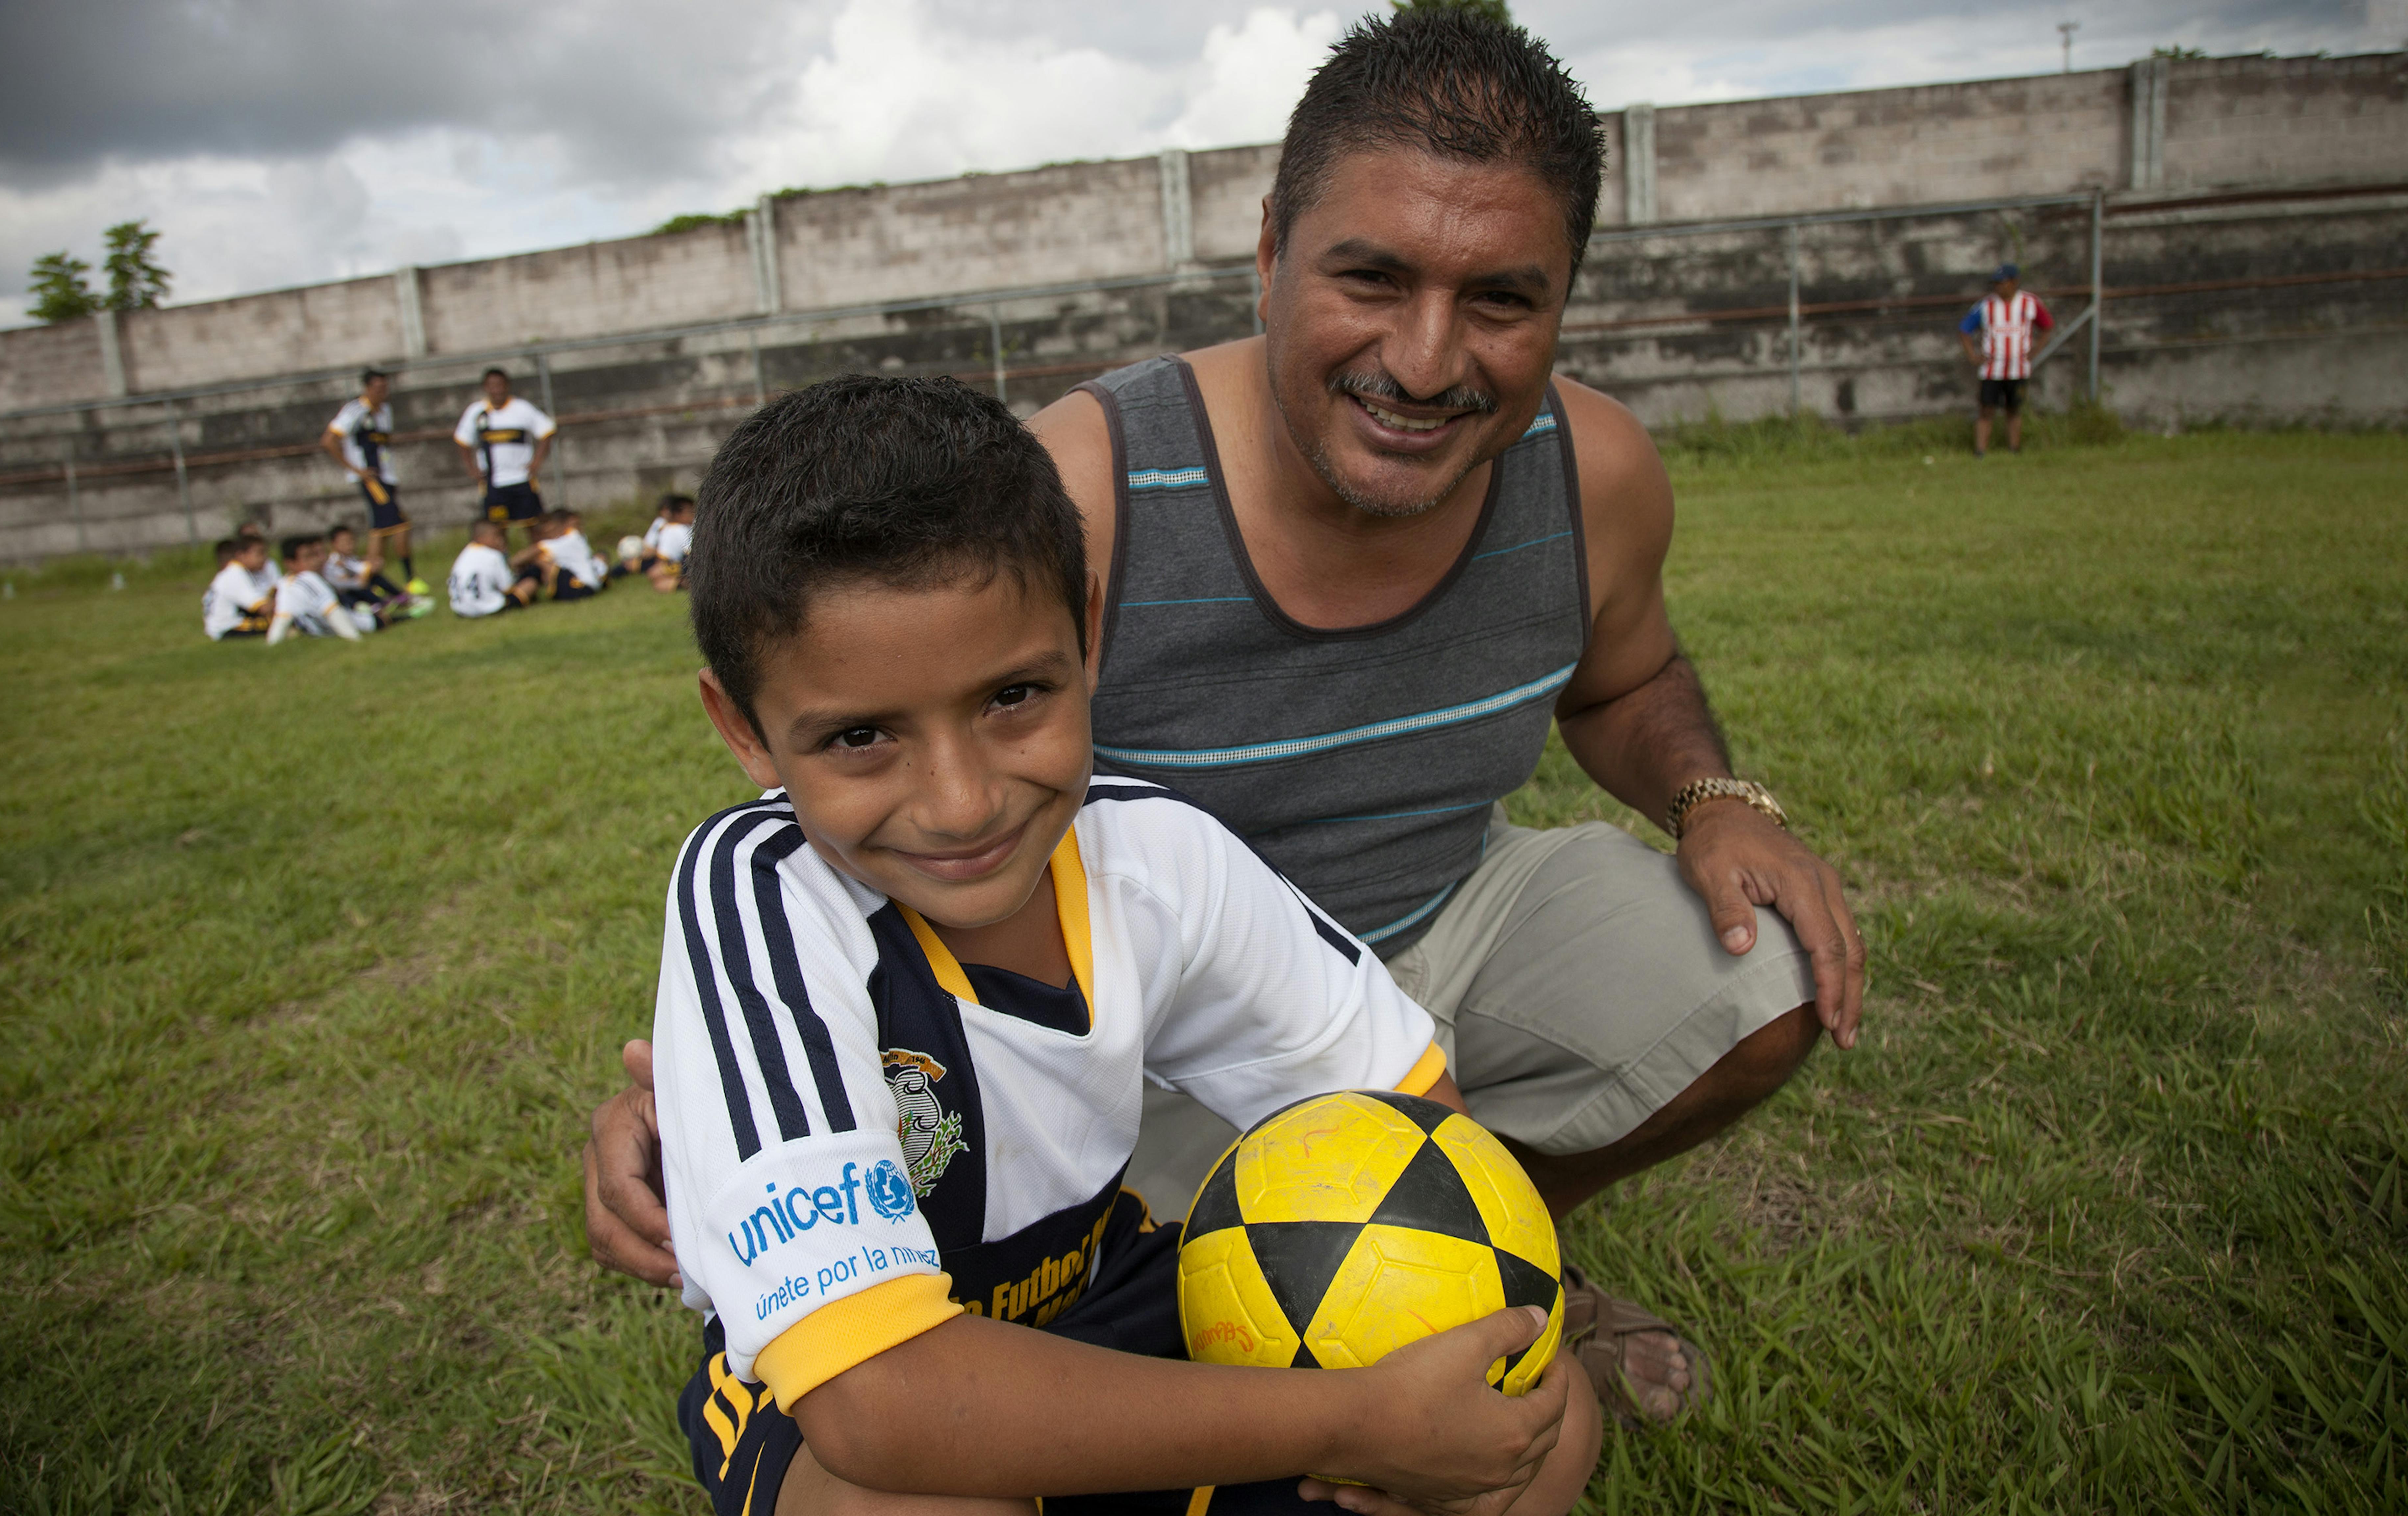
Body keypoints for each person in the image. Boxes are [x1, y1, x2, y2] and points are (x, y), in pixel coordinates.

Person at [587, 8, 1867, 1432]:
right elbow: (859, 753)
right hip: (1163, 1019)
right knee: (1031, 1344)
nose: (1430, 359)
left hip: (1443, 917)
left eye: (1501, 298)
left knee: (1760, 978)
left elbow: (1627, 679)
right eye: (1370, 277)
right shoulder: (1086, 485)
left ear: (1568, 293)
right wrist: (711, 1103)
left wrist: (1717, 800)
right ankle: (1311, 1297)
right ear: (1269, 250)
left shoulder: (1596, 467)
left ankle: (1485, 1260)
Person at [657, 371, 1596, 1516]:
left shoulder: (1157, 853)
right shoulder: (762, 893)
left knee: (1548, 1432)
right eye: (860, 736)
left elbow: (1423, 1129)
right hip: (846, 1384)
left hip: (1106, 1284)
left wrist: (1433, 1369)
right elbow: (877, 1399)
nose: (959, 802)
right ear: (744, 727)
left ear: (1088, 632)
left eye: (1013, 695)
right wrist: (1358, 1418)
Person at [321, 368, 421, 592]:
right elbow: (329, 441)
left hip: (387, 478)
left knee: (380, 530)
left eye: (385, 388)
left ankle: (369, 579)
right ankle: (410, 579)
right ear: (367, 389)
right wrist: (357, 471)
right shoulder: (355, 411)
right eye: (377, 389)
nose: (382, 393)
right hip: (371, 479)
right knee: (401, 524)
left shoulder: (385, 410)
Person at [1959, 263, 2054, 456]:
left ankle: (2014, 449)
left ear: (2014, 282)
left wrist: (2035, 351)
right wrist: (1973, 356)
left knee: (2014, 409)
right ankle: (1980, 452)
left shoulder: (2030, 303)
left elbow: (2047, 326)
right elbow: (1964, 329)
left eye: (2002, 283)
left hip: (2018, 368)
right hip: (1992, 369)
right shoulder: (1986, 306)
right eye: (1996, 284)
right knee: (1987, 409)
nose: (1998, 287)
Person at [453, 367, 557, 539]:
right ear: (486, 388)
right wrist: (471, 468)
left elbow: (547, 431)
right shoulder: (477, 412)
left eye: (500, 385)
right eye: (492, 386)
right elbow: (462, 441)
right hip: (493, 483)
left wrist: (537, 461)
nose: (497, 390)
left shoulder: (522, 408)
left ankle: (538, 564)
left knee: (534, 527)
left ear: (507, 386)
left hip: (522, 479)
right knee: (497, 531)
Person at [267, 535, 374, 644]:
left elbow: (282, 620)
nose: (315, 561)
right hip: (363, 623)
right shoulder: (308, 578)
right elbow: (332, 611)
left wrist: (272, 644)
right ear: (291, 564)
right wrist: (355, 638)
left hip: (319, 631)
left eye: (314, 556)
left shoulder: (284, 584)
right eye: (308, 558)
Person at [448, 519, 536, 619]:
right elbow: (508, 587)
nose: (501, 540)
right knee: (530, 583)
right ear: (481, 538)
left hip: (461, 610)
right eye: (496, 536)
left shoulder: (465, 554)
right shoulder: (494, 556)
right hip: (487, 609)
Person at [201, 536, 276, 641]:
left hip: (221, 627)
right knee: (277, 626)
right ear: (241, 556)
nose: (264, 558)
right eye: (259, 554)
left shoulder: (234, 572)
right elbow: (264, 608)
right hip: (228, 629)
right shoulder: (235, 575)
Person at [537, 509, 610, 601]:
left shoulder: (573, 538)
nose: (579, 529)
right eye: (575, 526)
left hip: (581, 586)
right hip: (587, 584)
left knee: (541, 561)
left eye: (579, 525)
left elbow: (536, 551)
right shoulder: (571, 539)